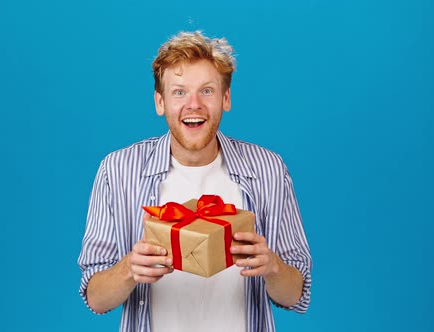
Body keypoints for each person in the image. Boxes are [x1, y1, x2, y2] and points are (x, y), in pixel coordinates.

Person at [78, 31, 312, 332]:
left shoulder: (268, 170)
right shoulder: (118, 171)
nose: (194, 105)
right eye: (179, 92)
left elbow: (296, 294)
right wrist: (128, 270)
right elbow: (95, 298)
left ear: (225, 98)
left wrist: (273, 267)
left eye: (207, 91)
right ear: (159, 102)